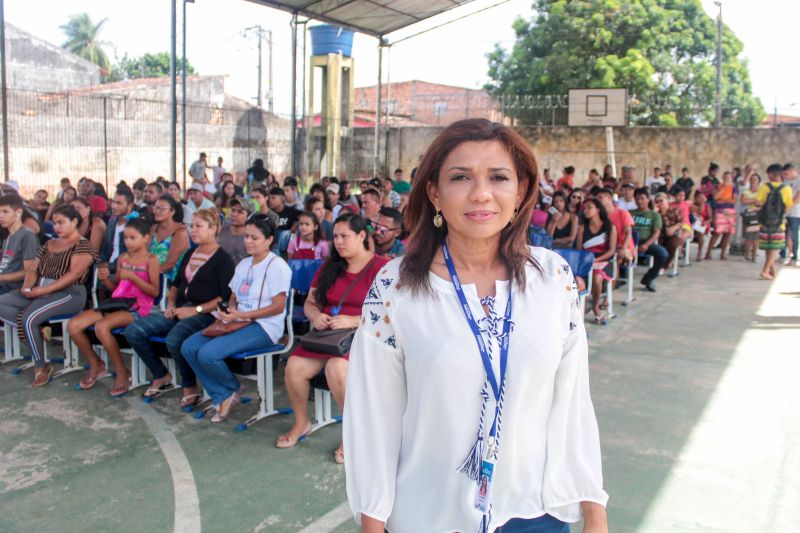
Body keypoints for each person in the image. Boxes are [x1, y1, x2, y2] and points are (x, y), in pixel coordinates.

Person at [344, 119, 608, 533]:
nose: (481, 193)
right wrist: (373, 521)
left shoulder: (553, 278)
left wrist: (594, 513)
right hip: (429, 516)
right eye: (460, 177)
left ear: (520, 191)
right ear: (434, 193)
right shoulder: (395, 286)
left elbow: (573, 402)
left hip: (534, 513)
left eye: (498, 177)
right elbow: (375, 415)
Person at [277, 214, 389, 463]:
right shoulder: (330, 266)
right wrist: (316, 316)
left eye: (344, 236)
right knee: (294, 366)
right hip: (328, 334)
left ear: (362, 236)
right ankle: (302, 422)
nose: (338, 242)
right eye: (335, 236)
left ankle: (353, 433)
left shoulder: (382, 267)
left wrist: (354, 320)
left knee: (337, 368)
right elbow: (310, 303)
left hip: (366, 335)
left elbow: (392, 312)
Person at [181, 215, 292, 422]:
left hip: (264, 327)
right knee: (189, 347)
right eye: (246, 236)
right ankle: (226, 391)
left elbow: (278, 307)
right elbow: (233, 296)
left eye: (254, 238)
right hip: (238, 322)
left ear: (269, 240)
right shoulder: (243, 264)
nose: (248, 241)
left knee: (207, 354)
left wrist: (242, 315)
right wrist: (230, 310)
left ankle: (226, 392)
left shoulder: (277, 266)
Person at [125, 209, 235, 406]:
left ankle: (189, 386)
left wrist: (196, 310)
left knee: (174, 339)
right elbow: (175, 285)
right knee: (134, 331)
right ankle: (161, 375)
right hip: (181, 308)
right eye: (191, 226)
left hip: (207, 313)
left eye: (199, 226)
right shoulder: (190, 254)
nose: (193, 230)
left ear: (213, 229)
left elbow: (224, 297)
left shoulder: (223, 259)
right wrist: (171, 304)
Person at [0, 205, 97, 387]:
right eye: (54, 223)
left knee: (29, 319)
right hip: (42, 290)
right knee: (5, 305)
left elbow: (74, 275)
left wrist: (44, 290)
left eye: (61, 222)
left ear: (74, 222)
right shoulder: (49, 243)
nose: (56, 227)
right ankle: (36, 329)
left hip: (70, 293)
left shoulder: (83, 245)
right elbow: (33, 269)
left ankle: (41, 366)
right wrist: (27, 286)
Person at [68, 217, 159, 397]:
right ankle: (96, 364)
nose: (128, 242)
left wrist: (133, 277)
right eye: (125, 238)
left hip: (138, 307)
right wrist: (105, 280)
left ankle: (121, 371)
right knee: (73, 325)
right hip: (118, 303)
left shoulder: (151, 260)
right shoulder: (123, 258)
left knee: (102, 327)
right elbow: (116, 288)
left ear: (145, 238)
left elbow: (154, 292)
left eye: (132, 238)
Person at [577, 198, 617, 325]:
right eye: (584, 208)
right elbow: (579, 250)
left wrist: (595, 260)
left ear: (598, 210)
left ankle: (595, 307)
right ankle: (580, 308)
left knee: (597, 277)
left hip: (604, 261)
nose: (586, 210)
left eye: (589, 207)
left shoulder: (610, 228)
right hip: (586, 263)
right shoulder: (582, 228)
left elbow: (611, 251)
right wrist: (588, 262)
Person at [756, 163, 794, 280]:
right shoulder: (786, 189)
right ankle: (765, 271)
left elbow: (758, 202)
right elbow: (789, 206)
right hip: (779, 223)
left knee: (768, 247)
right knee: (775, 248)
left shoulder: (764, 187)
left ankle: (772, 272)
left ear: (772, 174)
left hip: (764, 221)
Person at [0, 194, 40, 295]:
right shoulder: (7, 239)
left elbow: (29, 271)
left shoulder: (27, 235)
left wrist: (2, 278)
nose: (1, 215)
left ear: (18, 212)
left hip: (12, 288)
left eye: (5, 211)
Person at [630, 188, 667, 292]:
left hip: (644, 242)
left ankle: (648, 279)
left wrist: (646, 244)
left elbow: (656, 232)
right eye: (637, 199)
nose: (639, 201)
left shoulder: (654, 215)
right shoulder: (629, 213)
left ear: (648, 199)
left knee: (663, 254)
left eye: (642, 198)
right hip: (629, 242)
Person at [150, 195, 190, 282]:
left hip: (169, 280)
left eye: (162, 209)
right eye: (156, 208)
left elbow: (169, 264)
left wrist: (146, 275)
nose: (157, 211)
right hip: (150, 275)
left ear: (172, 212)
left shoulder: (180, 232)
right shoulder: (154, 228)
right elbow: (144, 254)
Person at [596, 187, 634, 268]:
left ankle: (614, 276)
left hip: (624, 247)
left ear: (609, 198)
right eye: (597, 198)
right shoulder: (599, 216)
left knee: (617, 256)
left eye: (600, 198)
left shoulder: (623, 213)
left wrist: (623, 248)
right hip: (607, 247)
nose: (598, 201)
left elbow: (628, 233)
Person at [99, 189, 135, 273]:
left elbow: (132, 255)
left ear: (129, 205)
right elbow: (105, 249)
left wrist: (110, 266)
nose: (114, 206)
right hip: (107, 270)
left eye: (119, 203)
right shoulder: (112, 222)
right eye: (113, 202)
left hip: (126, 271)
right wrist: (102, 264)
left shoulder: (136, 224)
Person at [705, 171, 738, 260]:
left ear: (731, 179)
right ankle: (708, 253)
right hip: (720, 211)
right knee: (717, 232)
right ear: (723, 178)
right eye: (725, 177)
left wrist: (722, 200)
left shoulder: (734, 188)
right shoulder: (717, 186)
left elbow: (734, 201)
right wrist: (724, 187)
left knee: (727, 233)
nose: (727, 179)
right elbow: (715, 197)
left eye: (729, 178)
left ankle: (723, 254)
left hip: (730, 212)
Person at [653, 192, 688, 269]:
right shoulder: (655, 212)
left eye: (661, 201)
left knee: (672, 244)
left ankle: (666, 265)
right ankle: (658, 264)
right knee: (657, 246)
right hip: (660, 234)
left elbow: (681, 222)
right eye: (657, 201)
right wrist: (654, 212)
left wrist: (674, 228)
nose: (659, 203)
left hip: (673, 233)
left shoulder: (675, 210)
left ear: (666, 200)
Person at [217, 199, 249, 264]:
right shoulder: (219, 232)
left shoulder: (252, 237)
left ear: (249, 217)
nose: (234, 214)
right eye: (233, 210)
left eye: (240, 212)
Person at [740, 173, 761, 262]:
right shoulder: (745, 192)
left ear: (759, 181)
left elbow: (762, 203)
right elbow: (743, 201)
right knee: (748, 237)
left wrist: (750, 202)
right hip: (747, 216)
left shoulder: (761, 192)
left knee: (756, 237)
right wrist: (754, 201)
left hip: (757, 216)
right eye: (752, 179)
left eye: (755, 179)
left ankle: (754, 256)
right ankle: (746, 255)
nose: (753, 181)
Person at [782, 163, 800, 266]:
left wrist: (788, 206)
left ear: (792, 171)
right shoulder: (786, 182)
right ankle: (783, 255)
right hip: (786, 212)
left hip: (796, 213)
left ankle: (794, 257)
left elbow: (797, 198)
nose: (785, 176)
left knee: (793, 234)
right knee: (784, 234)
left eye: (786, 174)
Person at [691, 190, 712, 262]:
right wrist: (702, 203)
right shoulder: (692, 205)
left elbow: (710, 218)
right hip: (693, 222)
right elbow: (699, 211)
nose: (701, 199)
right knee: (699, 228)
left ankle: (699, 253)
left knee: (701, 231)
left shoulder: (707, 206)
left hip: (702, 224)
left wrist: (706, 222)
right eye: (699, 197)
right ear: (695, 198)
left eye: (702, 197)